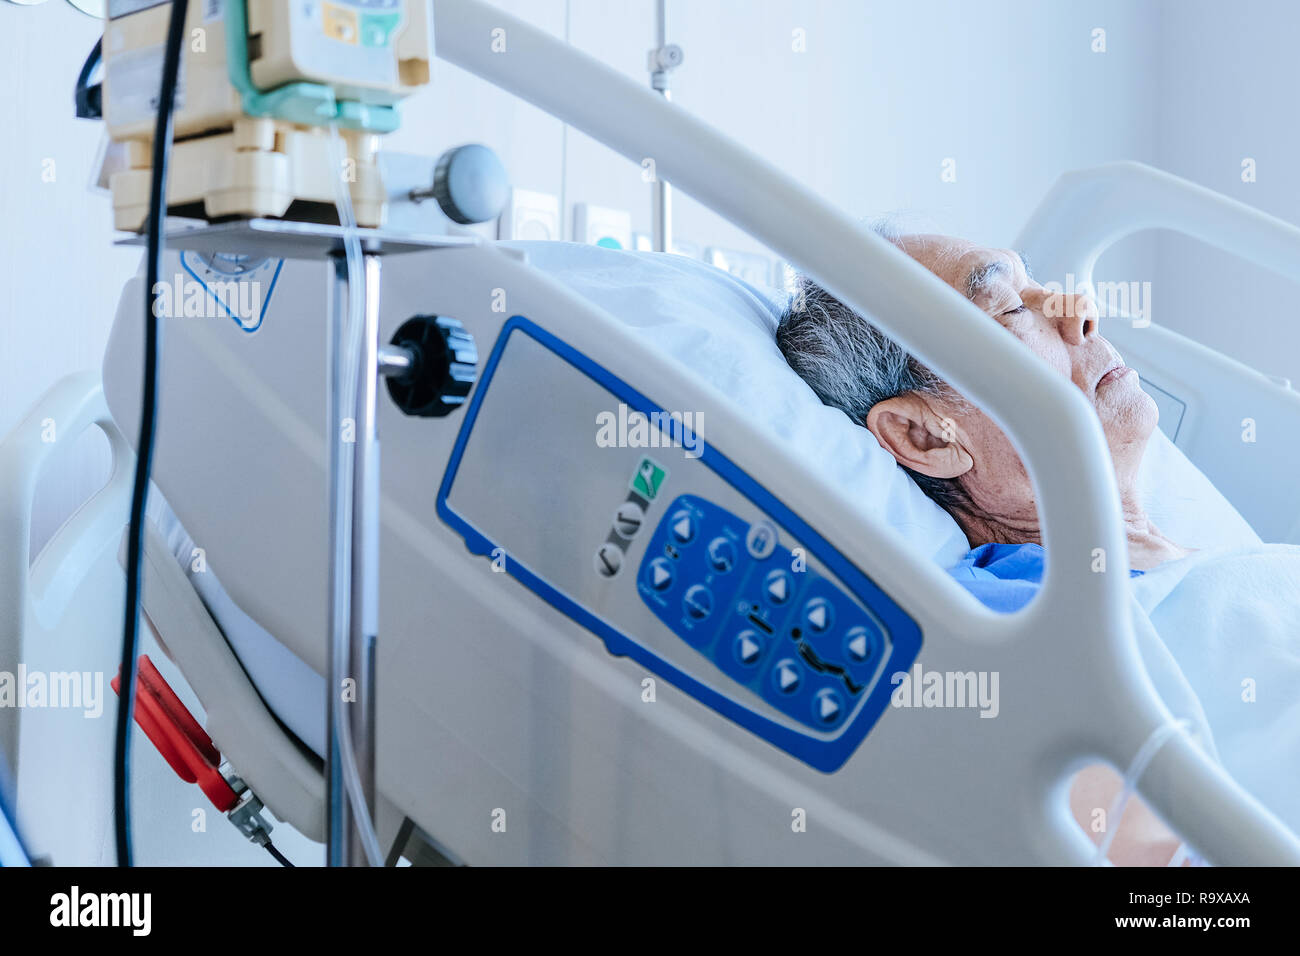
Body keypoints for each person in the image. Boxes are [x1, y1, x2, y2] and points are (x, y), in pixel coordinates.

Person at [776, 228, 1300, 864]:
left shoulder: (1229, 569)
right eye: (1010, 307)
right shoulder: (1010, 635)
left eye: (1038, 283)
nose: (1077, 308)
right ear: (925, 436)